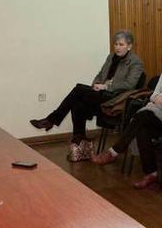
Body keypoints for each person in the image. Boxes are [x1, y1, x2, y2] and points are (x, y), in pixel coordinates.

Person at [92, 36, 162, 189]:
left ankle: (115, 151)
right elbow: (153, 93)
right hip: (156, 108)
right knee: (141, 126)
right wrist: (156, 98)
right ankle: (151, 173)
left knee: (140, 117)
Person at [30, 30, 144, 161]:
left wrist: (106, 86)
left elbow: (130, 84)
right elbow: (100, 74)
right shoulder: (111, 57)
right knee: (78, 103)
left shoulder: (136, 62)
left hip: (116, 98)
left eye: (121, 44)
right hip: (102, 94)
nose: (117, 47)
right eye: (116, 44)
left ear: (129, 46)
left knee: (78, 89)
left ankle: (52, 120)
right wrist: (96, 84)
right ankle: (80, 141)